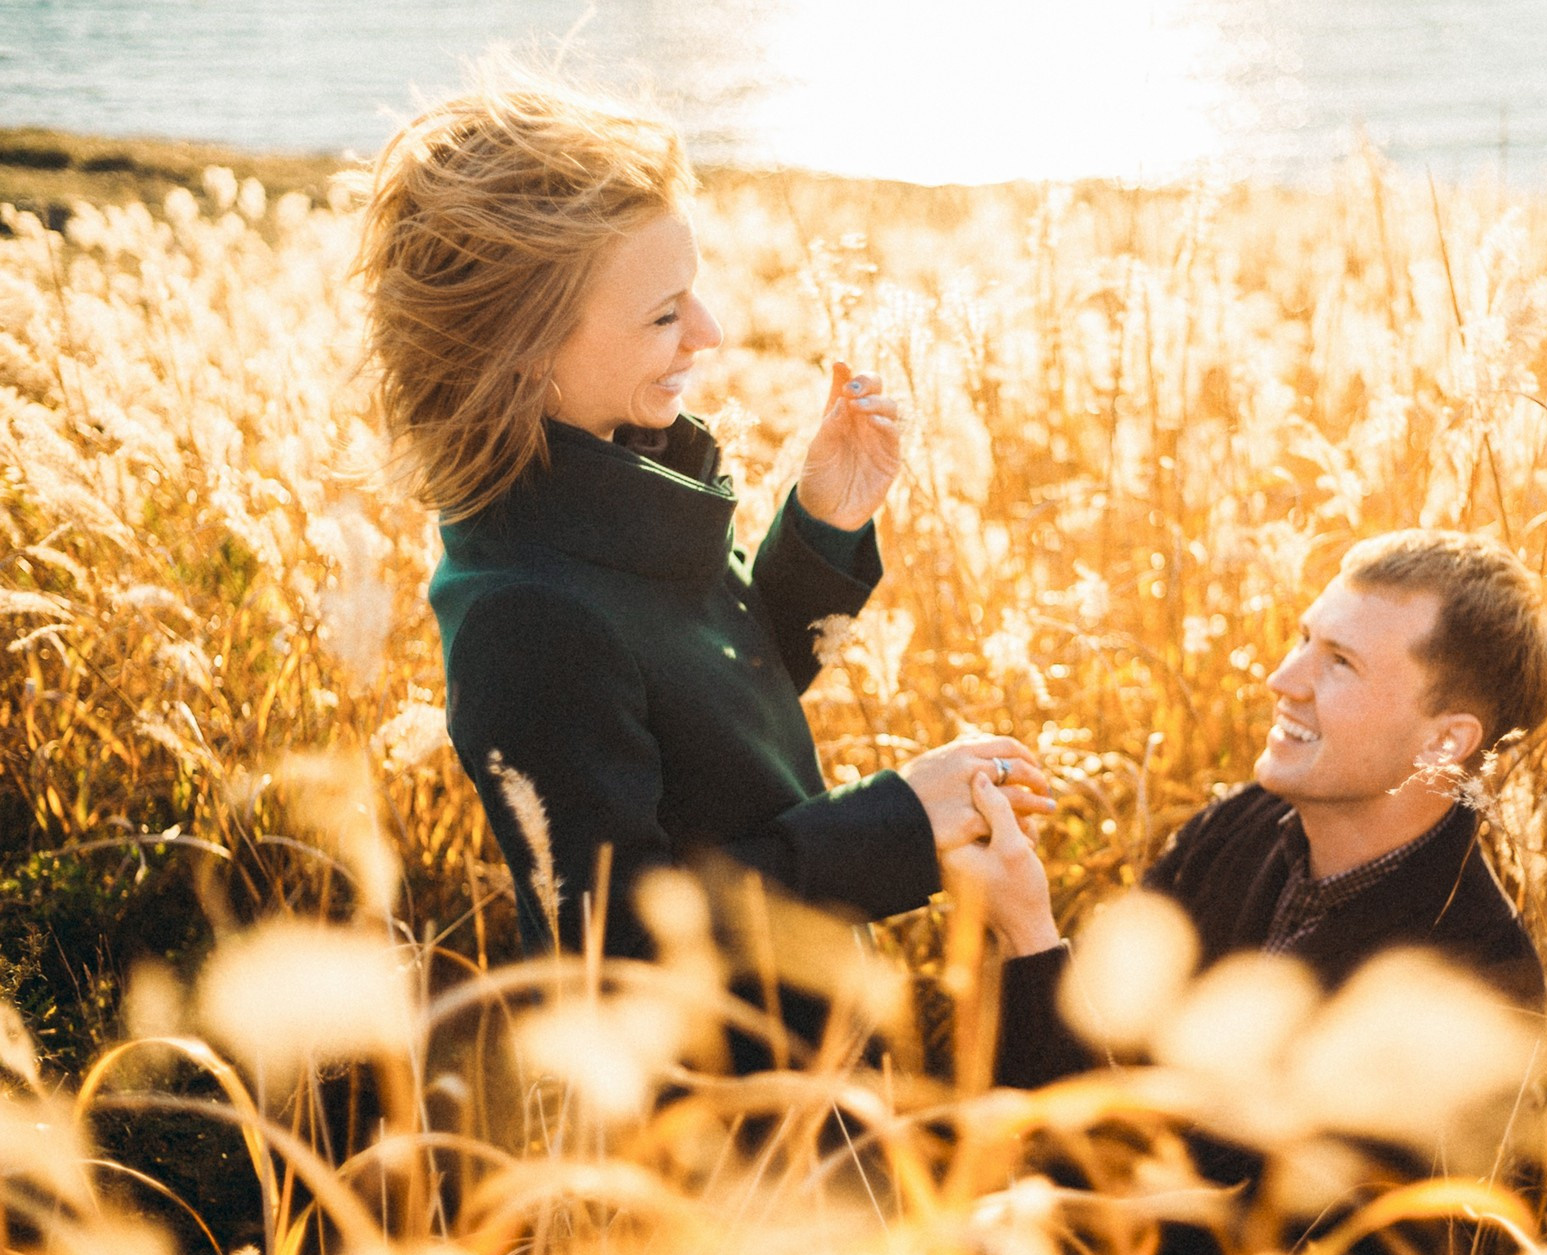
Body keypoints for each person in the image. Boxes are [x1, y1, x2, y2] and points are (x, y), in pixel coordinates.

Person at [354, 74, 1054, 970]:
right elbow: (623, 947)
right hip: (714, 1057)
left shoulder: (619, 487)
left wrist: (823, 523)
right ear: (523, 346)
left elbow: (721, 704)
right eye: (663, 314)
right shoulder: (524, 618)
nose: (710, 330)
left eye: (693, 292)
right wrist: (900, 824)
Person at [945, 528, 1547, 1255]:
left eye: (1339, 663)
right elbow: (1099, 1079)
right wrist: (1020, 932)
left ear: (1444, 742)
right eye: (1305, 639)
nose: (1283, 678)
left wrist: (1031, 938)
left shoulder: (1473, 996)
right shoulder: (1239, 828)